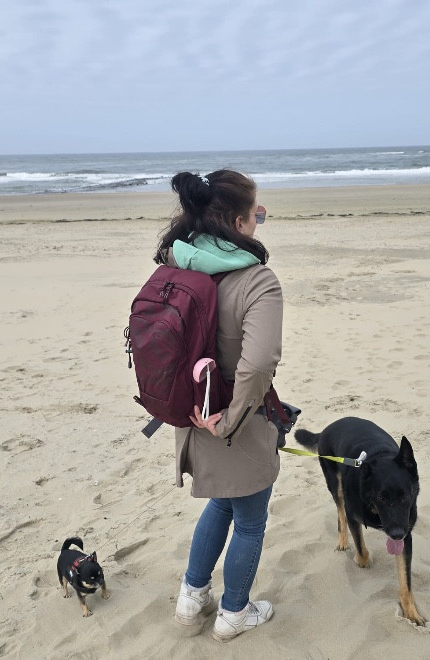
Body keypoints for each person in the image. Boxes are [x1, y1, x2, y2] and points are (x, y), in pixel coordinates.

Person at [155, 169, 282, 642]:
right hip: (233, 419)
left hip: (190, 410)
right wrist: (230, 421)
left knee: (222, 503)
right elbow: (258, 363)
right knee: (250, 518)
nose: (259, 221)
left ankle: (191, 599)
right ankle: (234, 613)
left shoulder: (178, 262)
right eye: (257, 214)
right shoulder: (257, 281)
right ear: (238, 222)